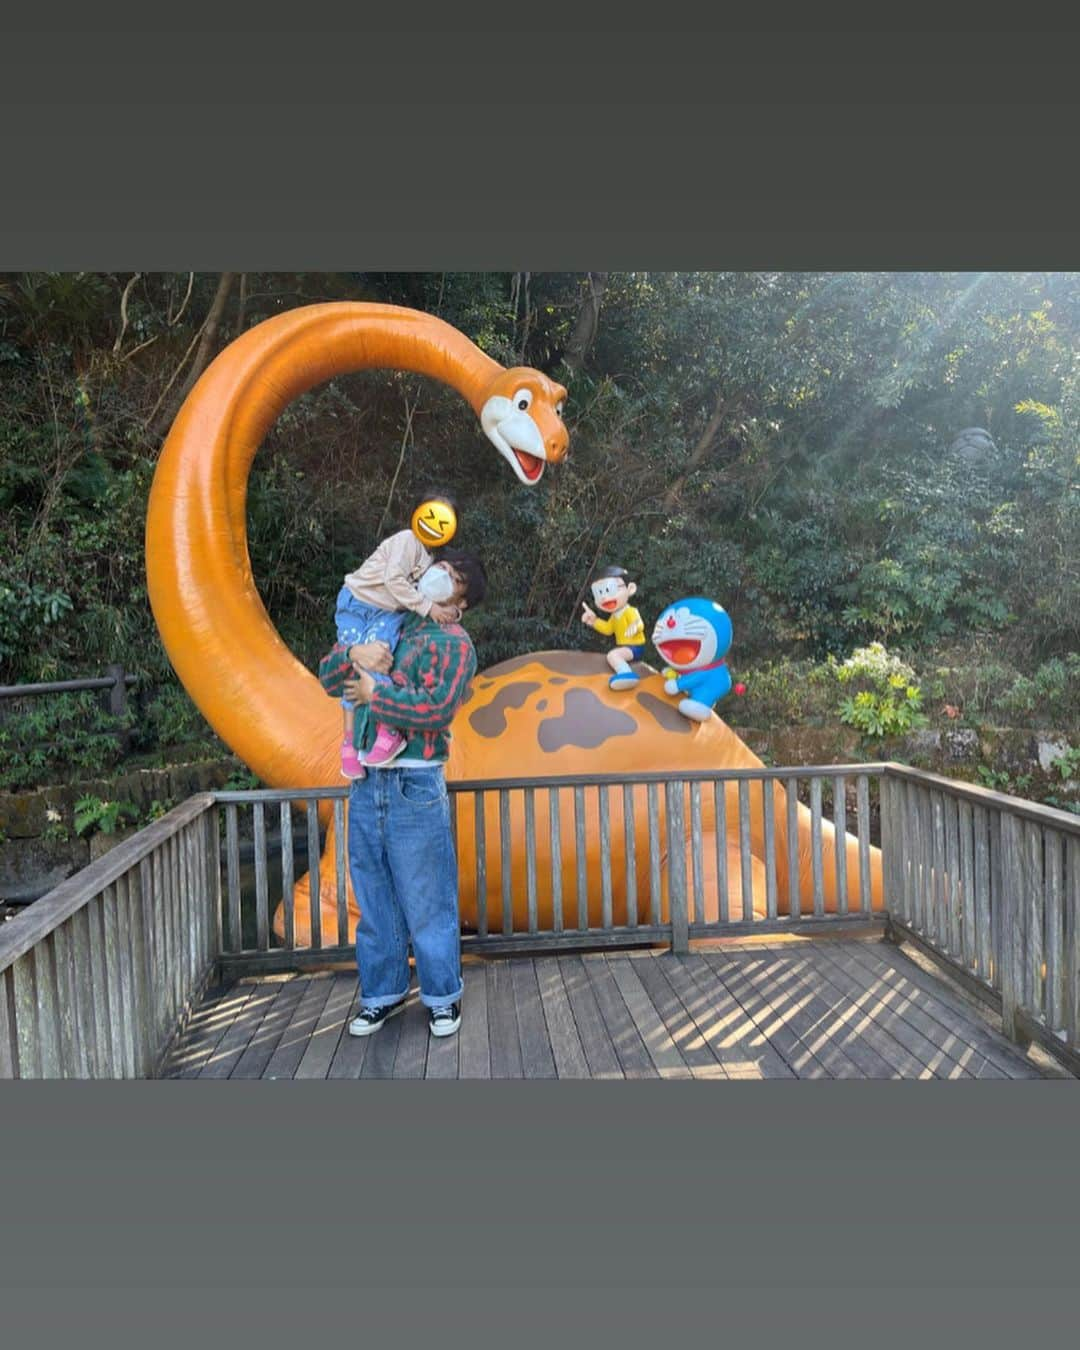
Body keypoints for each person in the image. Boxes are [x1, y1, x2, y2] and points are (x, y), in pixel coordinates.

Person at [318, 547, 487, 1040]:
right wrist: (353, 655)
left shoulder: (454, 644)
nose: (438, 576)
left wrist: (376, 695)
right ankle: (382, 994)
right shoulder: (389, 617)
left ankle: (440, 995)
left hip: (415, 781)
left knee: (426, 897)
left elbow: (435, 709)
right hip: (367, 781)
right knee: (373, 896)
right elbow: (331, 675)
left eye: (453, 577)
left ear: (461, 601)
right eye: (442, 567)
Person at [334, 491, 461, 780]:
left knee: (379, 661)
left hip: (387, 613)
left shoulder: (433, 560)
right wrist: (428, 608)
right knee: (353, 668)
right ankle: (350, 742)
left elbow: (435, 593)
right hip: (357, 602)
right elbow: (394, 581)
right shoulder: (408, 540)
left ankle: (386, 730)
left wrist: (449, 611)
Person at [580, 564, 646, 689]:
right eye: (598, 593)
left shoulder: (630, 611)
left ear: (630, 589)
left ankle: (626, 674)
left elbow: (639, 623)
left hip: (635, 646)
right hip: (625, 647)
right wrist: (594, 621)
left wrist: (634, 626)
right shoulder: (615, 615)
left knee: (613, 656)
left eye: (610, 589)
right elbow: (608, 629)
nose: (604, 597)